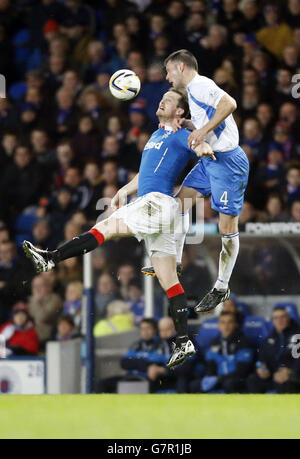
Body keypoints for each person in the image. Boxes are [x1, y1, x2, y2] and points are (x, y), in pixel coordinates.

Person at [23, 89, 216, 367]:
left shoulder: (182, 135)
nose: (161, 100)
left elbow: (198, 145)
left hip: (158, 203)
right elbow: (145, 173)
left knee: (107, 227)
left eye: (169, 100)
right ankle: (183, 340)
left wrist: (202, 146)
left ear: (180, 112)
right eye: (162, 97)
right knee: (168, 279)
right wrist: (124, 190)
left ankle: (51, 258)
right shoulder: (155, 135)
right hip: (162, 207)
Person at [161, 49, 249, 314]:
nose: (167, 78)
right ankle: (174, 262)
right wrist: (190, 123)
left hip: (228, 163)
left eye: (168, 71)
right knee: (179, 205)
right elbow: (208, 117)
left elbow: (230, 103)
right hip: (210, 161)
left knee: (226, 229)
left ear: (180, 67)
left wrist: (202, 130)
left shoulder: (200, 84)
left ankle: (222, 287)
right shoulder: (195, 91)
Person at [190, 312, 254, 393]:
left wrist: (219, 378)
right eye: (223, 322)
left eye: (230, 322)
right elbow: (211, 366)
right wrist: (210, 377)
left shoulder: (244, 342)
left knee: (229, 383)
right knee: (194, 385)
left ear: (235, 324)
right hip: (219, 379)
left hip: (237, 379)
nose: (226, 326)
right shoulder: (214, 342)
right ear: (219, 325)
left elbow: (242, 370)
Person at [247, 307, 300, 394]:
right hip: (273, 375)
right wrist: (262, 369)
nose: (279, 320)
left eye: (282, 317)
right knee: (253, 381)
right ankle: (257, 407)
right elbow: (261, 360)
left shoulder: (297, 335)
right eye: (276, 318)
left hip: (294, 374)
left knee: (286, 382)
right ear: (272, 321)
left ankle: (287, 407)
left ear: (288, 318)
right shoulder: (268, 339)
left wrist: (290, 371)